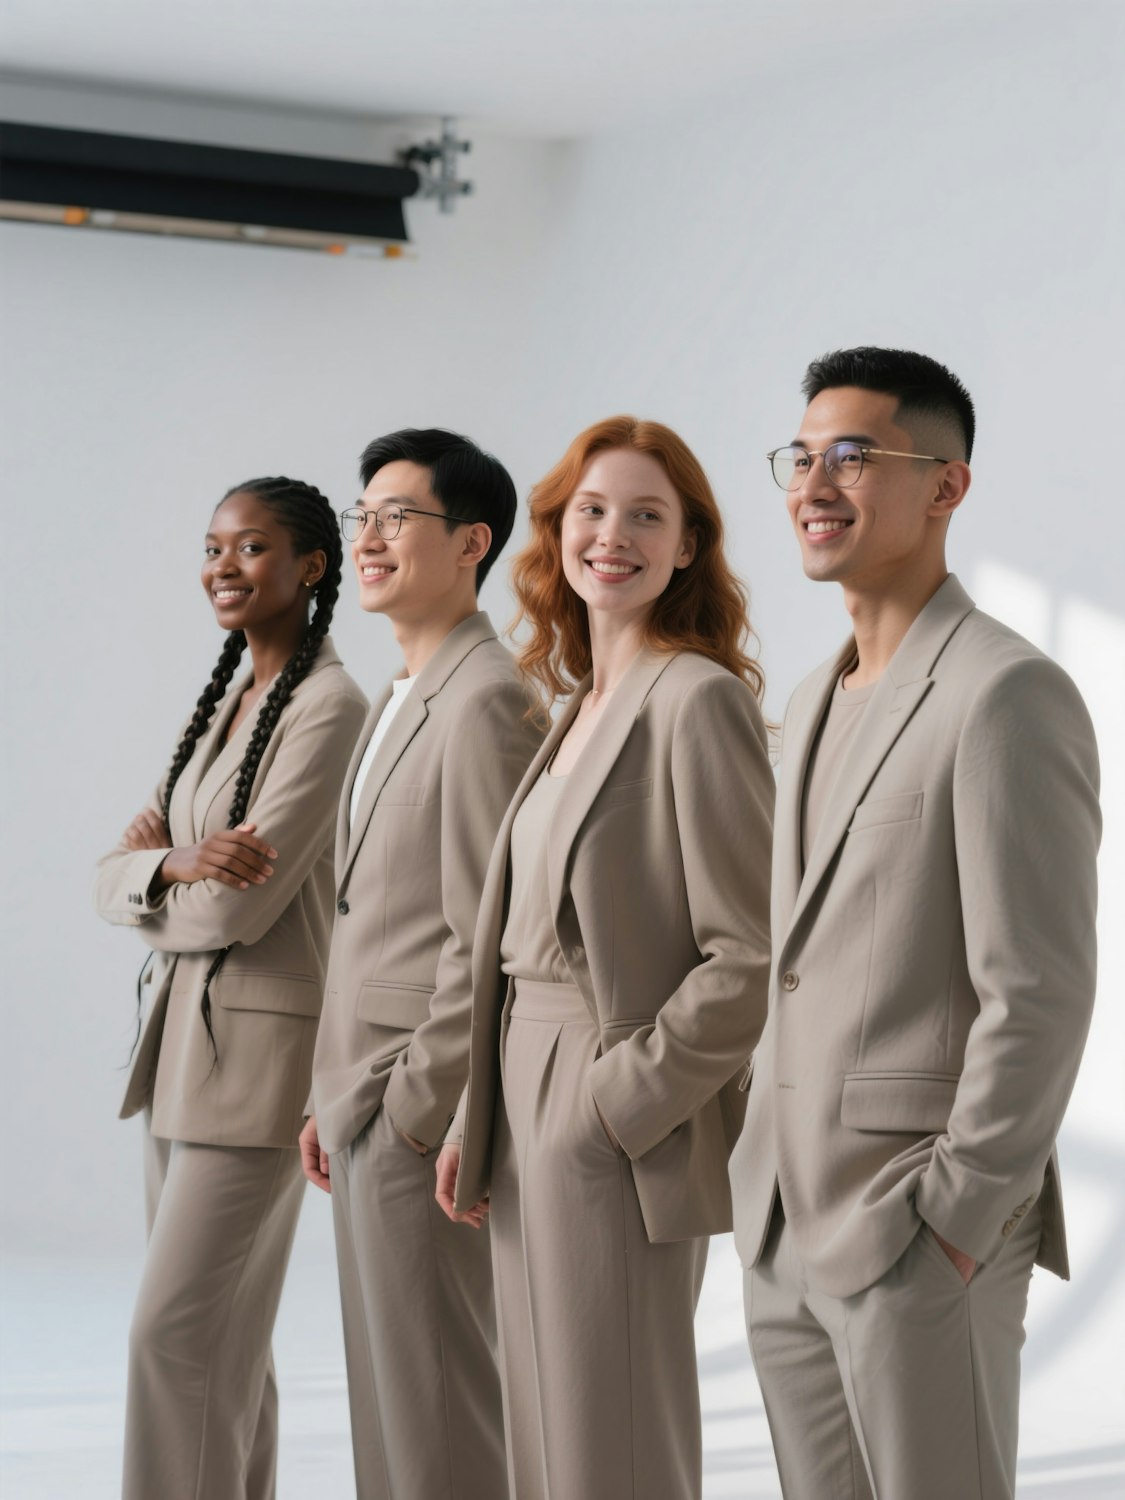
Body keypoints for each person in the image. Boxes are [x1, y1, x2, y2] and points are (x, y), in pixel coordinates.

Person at [729, 347, 1101, 1499]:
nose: (814, 484)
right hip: (785, 1225)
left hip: (916, 1231)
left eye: (855, 457)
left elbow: (1036, 988)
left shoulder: (1005, 692)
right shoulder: (808, 697)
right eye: (801, 456)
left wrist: (956, 1216)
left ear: (946, 486)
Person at [437, 416, 774, 1500]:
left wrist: (611, 1106)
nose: (612, 535)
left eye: (646, 515)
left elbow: (750, 954)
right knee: (543, 1430)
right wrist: (476, 1113)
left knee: (610, 1438)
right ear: (556, 533)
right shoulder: (574, 705)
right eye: (591, 511)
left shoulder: (697, 699)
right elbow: (514, 943)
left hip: (611, 1106)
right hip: (521, 1090)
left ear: (687, 546)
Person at [94, 476, 367, 1500]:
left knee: (176, 1336)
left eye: (251, 548)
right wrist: (167, 865)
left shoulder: (328, 707)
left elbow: (236, 913)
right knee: (224, 1348)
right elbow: (112, 876)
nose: (223, 565)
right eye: (214, 547)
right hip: (174, 1053)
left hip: (255, 1067)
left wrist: (167, 876)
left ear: (311, 567)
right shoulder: (221, 704)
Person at [300, 429, 541, 1500]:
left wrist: (414, 1104)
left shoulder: (488, 697)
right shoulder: (403, 692)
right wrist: (328, 1093)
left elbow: (485, 932)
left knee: (438, 1402)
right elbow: (367, 917)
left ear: (473, 542)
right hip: (360, 1096)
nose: (370, 537)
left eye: (399, 516)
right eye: (363, 517)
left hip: (418, 1111)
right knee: (390, 1399)